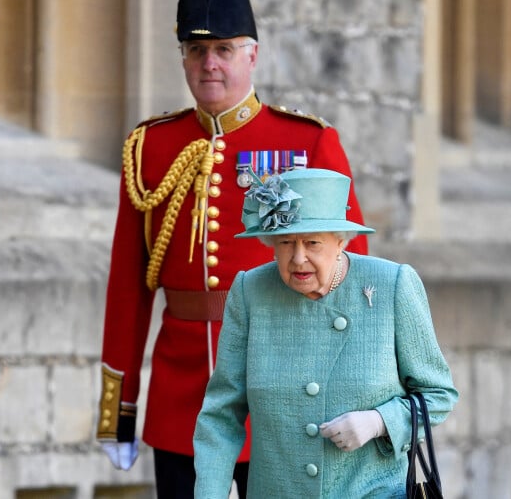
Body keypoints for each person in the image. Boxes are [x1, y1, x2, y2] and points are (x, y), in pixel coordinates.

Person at [95, 0, 369, 497]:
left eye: (223, 49)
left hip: (287, 391)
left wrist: (355, 395)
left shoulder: (306, 143)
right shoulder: (150, 147)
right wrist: (119, 409)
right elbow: (128, 288)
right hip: (182, 399)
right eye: (196, 52)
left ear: (252, 56)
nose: (209, 64)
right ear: (182, 59)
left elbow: (352, 280)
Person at [193, 168, 458, 498]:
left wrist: (379, 422)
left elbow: (438, 395)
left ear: (340, 241)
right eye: (286, 242)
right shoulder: (251, 292)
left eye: (313, 243)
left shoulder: (392, 286)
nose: (298, 258)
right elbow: (221, 415)